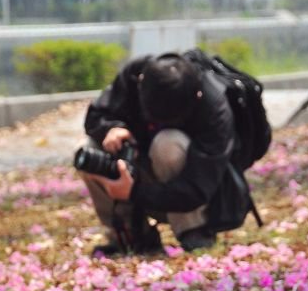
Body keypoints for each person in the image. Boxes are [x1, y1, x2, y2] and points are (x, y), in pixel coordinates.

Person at [78, 52, 251, 256]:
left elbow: (196, 189)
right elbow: (96, 115)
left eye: (170, 119)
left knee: (167, 143)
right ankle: (133, 236)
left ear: (197, 96)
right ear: (140, 83)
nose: (157, 124)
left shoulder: (215, 109)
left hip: (198, 194)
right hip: (142, 175)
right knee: (91, 151)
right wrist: (112, 128)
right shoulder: (134, 75)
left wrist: (134, 192)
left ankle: (193, 232)